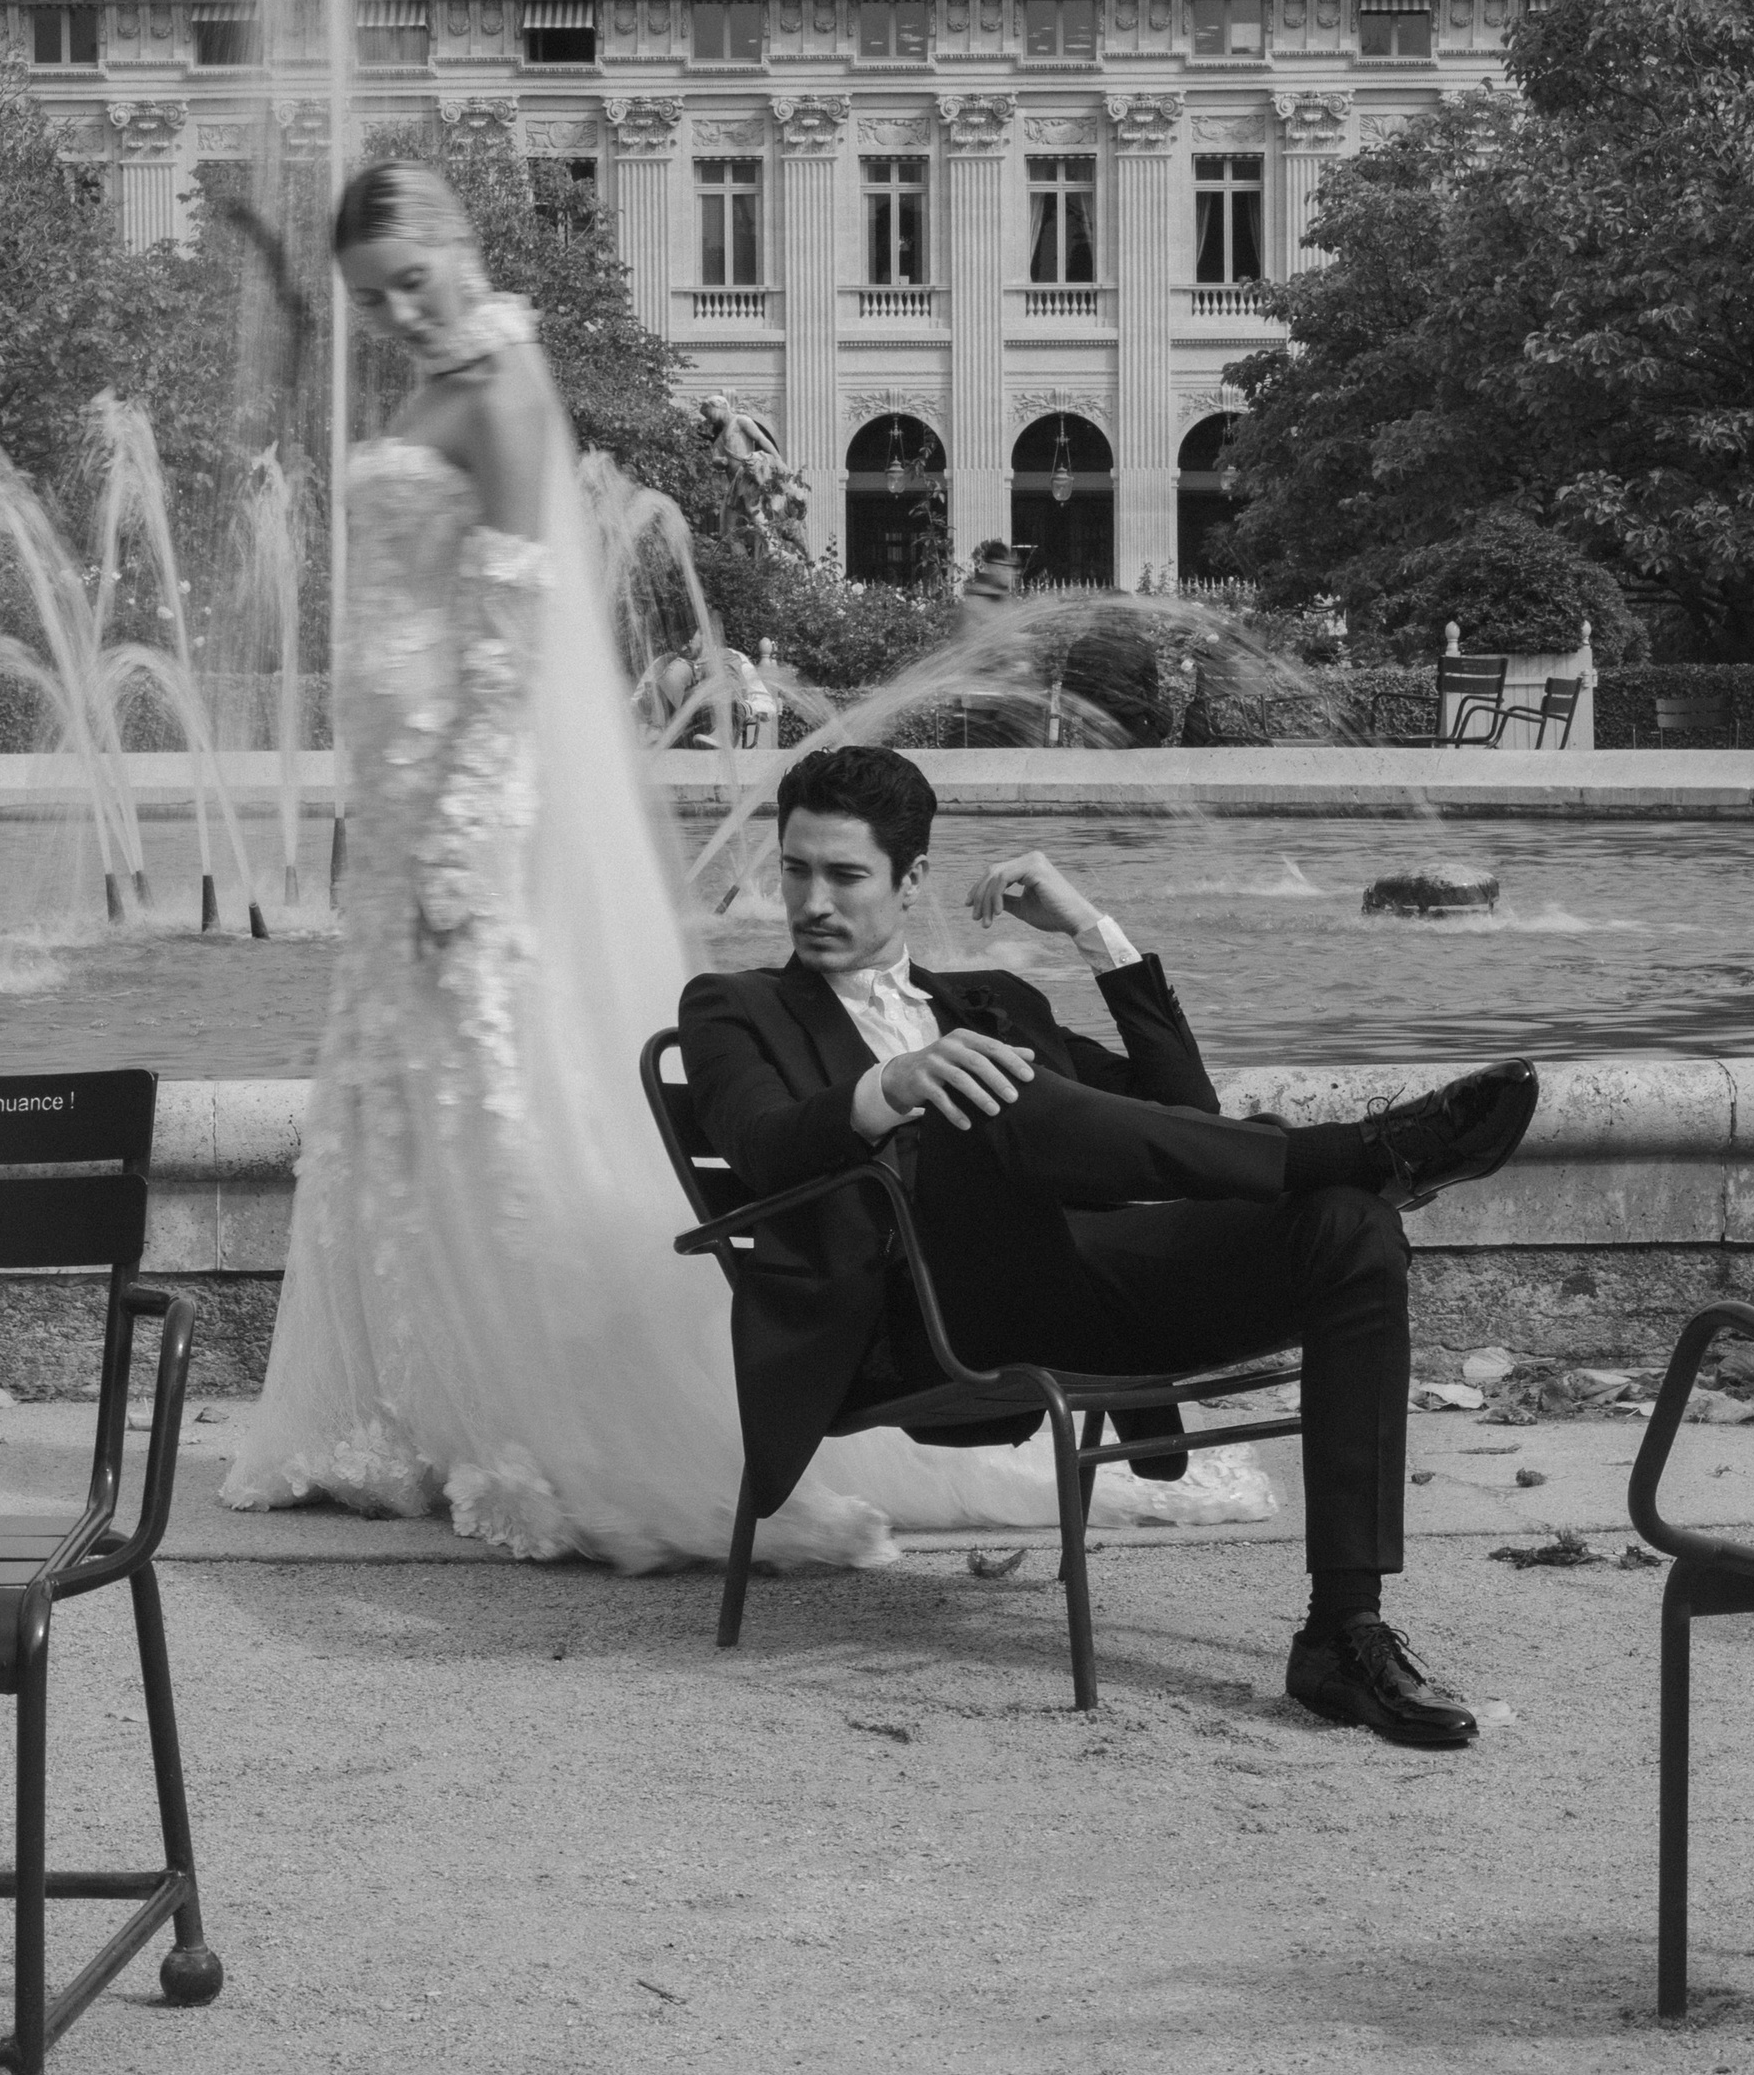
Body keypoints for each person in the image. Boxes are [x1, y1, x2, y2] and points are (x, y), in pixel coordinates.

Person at [222, 164, 1270, 1568]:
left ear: (462, 246)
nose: (399, 312)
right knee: (403, 1133)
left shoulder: (507, 385)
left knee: (491, 1119)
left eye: (413, 278)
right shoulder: (436, 387)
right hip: (413, 818)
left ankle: (533, 1410)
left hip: (468, 830)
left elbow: (516, 646)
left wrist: (459, 850)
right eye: (372, 299)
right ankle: (405, 1403)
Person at [678, 743, 1541, 1746]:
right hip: (914, 1319)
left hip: (1078, 1290)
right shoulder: (735, 1007)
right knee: (978, 1093)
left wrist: (1097, 933)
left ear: (910, 879)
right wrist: (893, 1085)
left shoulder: (991, 999)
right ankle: (1362, 1148)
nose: (811, 898)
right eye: (795, 868)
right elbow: (757, 1140)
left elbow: (1185, 1120)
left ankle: (1341, 1633)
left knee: (1349, 1226)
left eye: (843, 873)